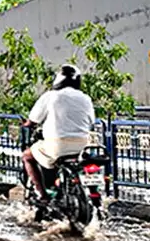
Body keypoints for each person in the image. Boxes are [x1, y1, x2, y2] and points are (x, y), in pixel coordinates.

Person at [22, 65, 97, 202]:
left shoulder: (50, 96)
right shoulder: (86, 98)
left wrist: (27, 124)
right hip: (82, 145)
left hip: (57, 146)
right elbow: (91, 121)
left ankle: (42, 194)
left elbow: (33, 120)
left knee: (27, 156)